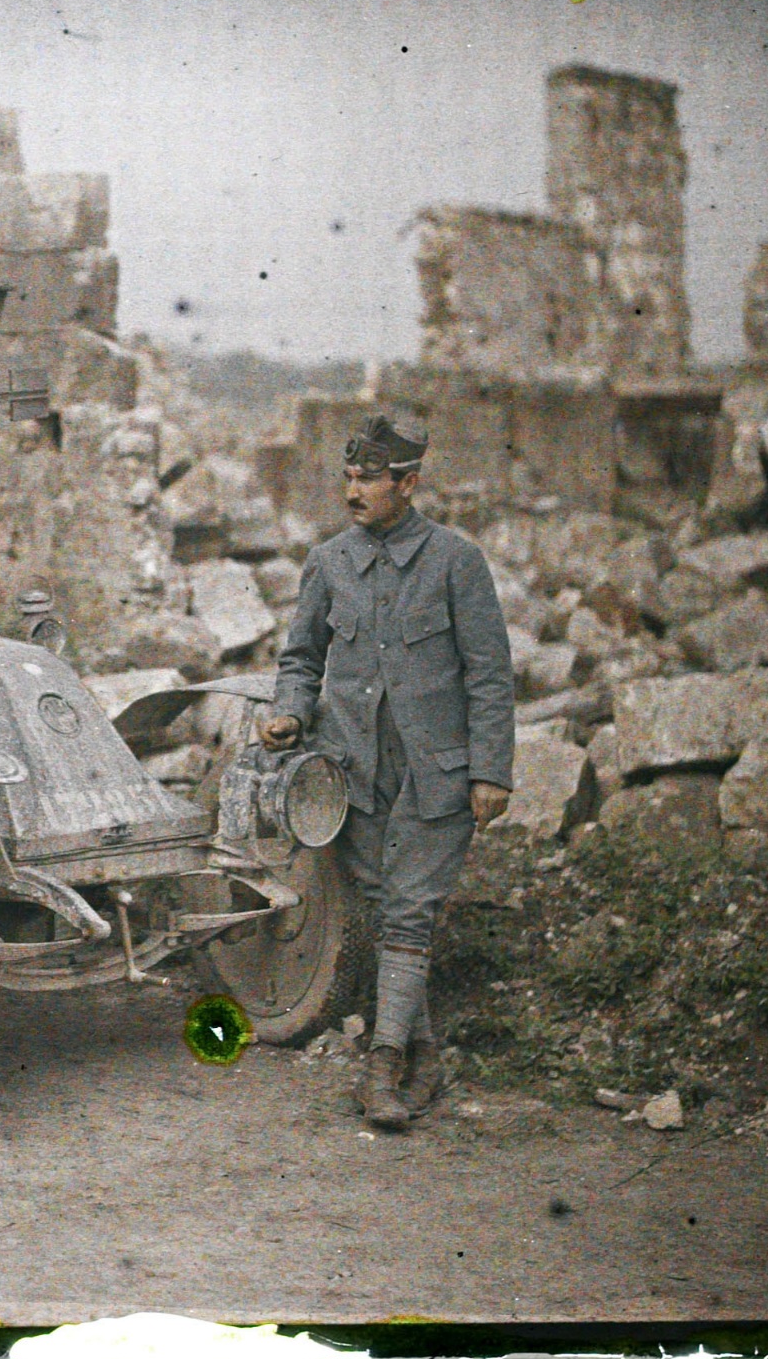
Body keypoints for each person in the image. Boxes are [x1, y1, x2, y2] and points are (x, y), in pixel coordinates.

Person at [261, 411, 514, 1130]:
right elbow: (301, 659)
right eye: (347, 477)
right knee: (384, 912)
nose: (352, 492)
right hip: (353, 776)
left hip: (434, 775)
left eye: (369, 479)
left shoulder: (456, 563)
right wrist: (289, 710)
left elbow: (490, 676)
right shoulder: (328, 563)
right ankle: (423, 1055)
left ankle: (381, 1067)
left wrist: (490, 770)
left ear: (409, 483)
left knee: (410, 913)